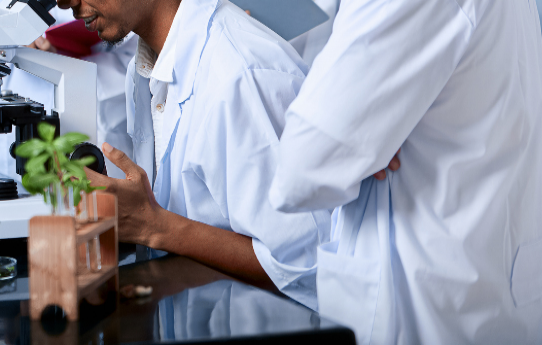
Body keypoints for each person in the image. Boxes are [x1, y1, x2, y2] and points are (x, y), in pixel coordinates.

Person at [269, 0, 542, 343]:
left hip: (423, 311)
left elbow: (301, 170)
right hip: (479, 290)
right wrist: (364, 134)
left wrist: (364, 135)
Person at [55, 0, 332, 309]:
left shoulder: (239, 74)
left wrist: (153, 227)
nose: (67, 4)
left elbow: (306, 267)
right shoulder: (145, 67)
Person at [0, 0, 136, 180]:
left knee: (89, 210)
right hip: (0, 155)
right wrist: (8, 48)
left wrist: (65, 59)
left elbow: (139, 60)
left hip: (96, 129)